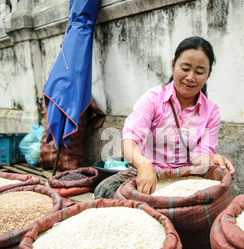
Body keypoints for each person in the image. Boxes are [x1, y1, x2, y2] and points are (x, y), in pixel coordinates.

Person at [94, 36, 235, 199]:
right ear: (173, 65)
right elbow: (129, 141)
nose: (190, 77)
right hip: (146, 172)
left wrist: (213, 159)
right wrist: (143, 164)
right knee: (105, 189)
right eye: (185, 68)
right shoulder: (153, 99)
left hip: (185, 178)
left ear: (208, 75)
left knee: (216, 196)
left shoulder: (211, 111)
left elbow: (199, 157)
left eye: (199, 72)